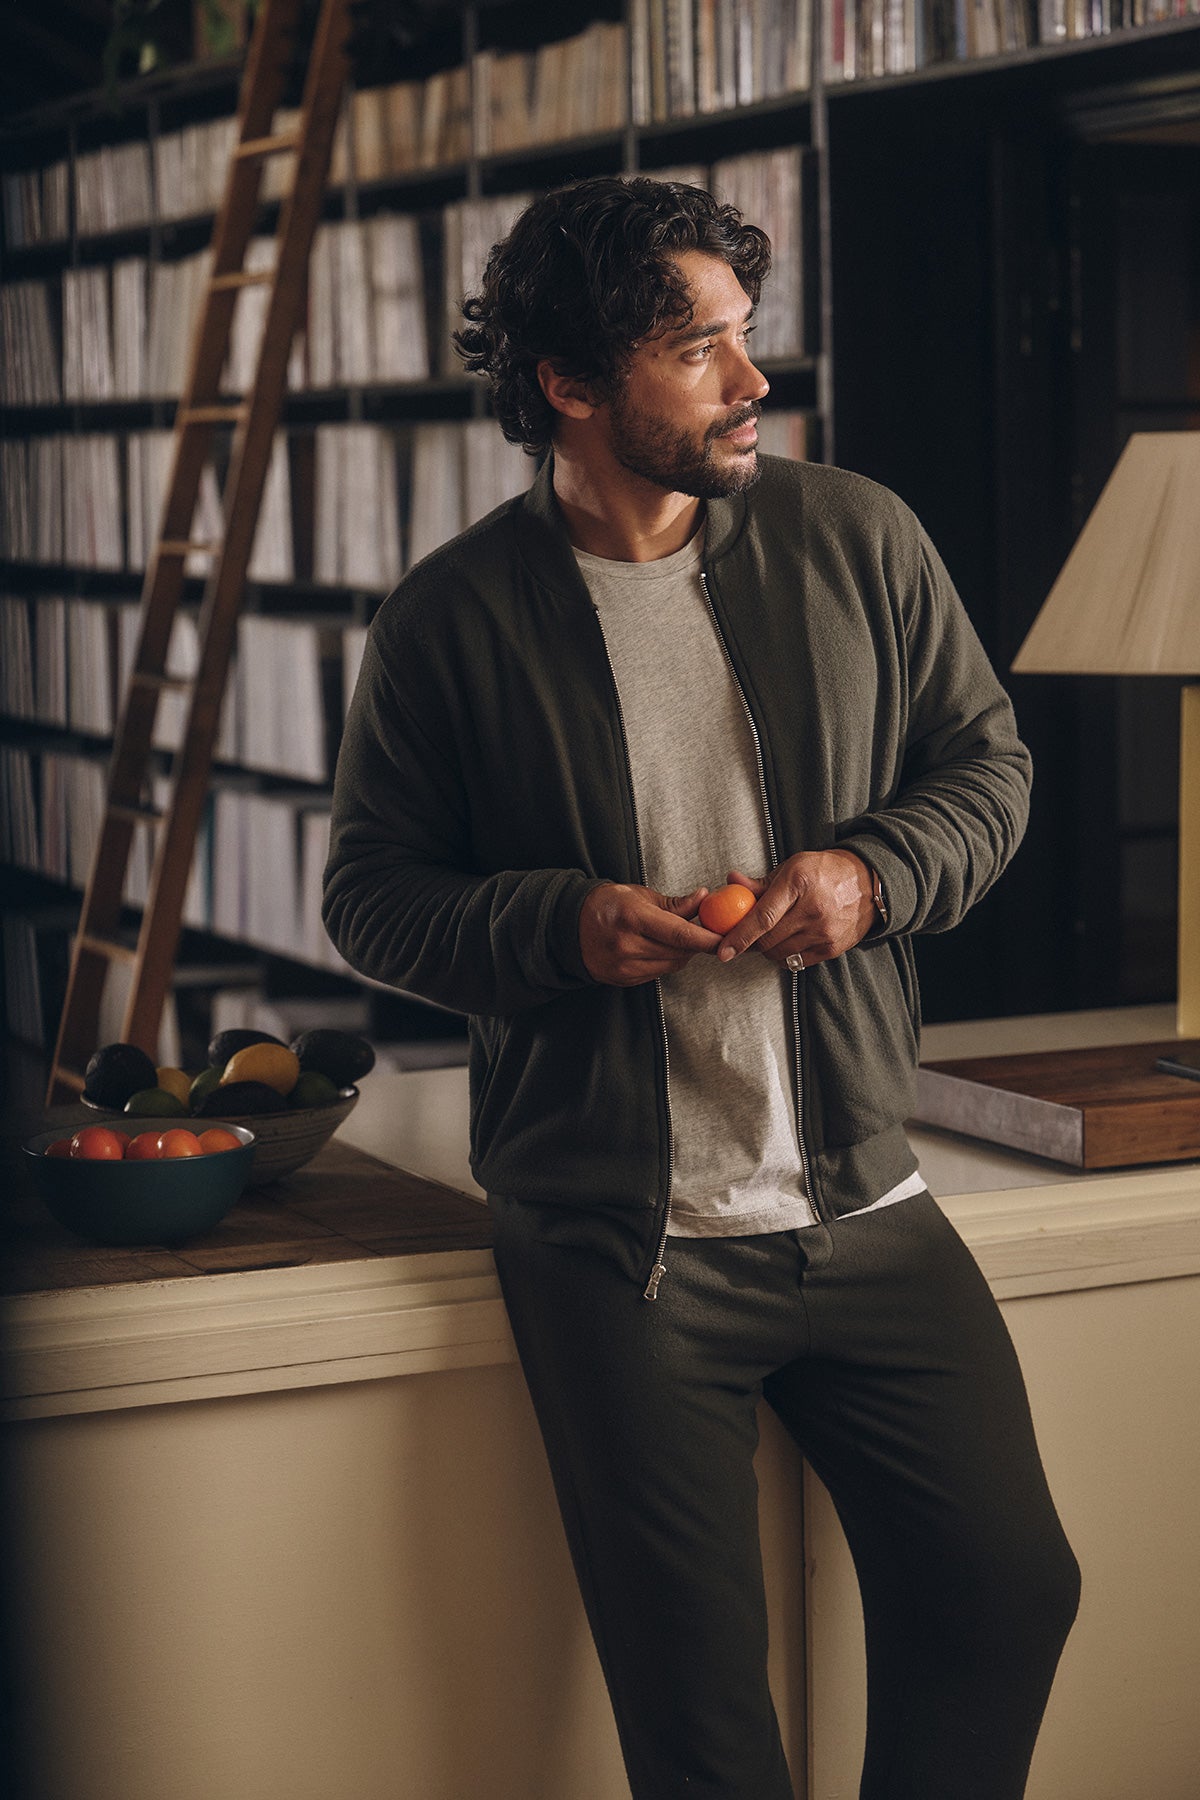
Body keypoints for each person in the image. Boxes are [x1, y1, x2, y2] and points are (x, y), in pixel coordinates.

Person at [323, 176, 1080, 1800]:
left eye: (749, 339)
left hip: (870, 1208)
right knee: (702, 1729)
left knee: (1011, 1590)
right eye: (701, 351)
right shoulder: (449, 621)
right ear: (572, 387)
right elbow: (371, 900)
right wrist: (559, 927)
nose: (753, 384)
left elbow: (989, 769)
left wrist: (872, 876)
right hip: (623, 1252)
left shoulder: (857, 535)